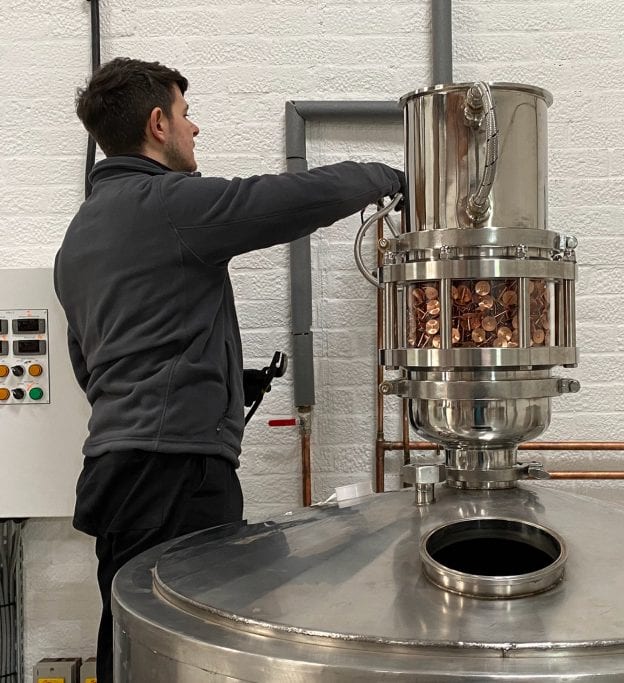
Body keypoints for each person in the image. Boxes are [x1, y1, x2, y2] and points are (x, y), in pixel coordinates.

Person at [53, 57, 404, 683]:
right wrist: (386, 176)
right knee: (189, 643)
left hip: (118, 469)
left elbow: (99, 365)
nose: (196, 130)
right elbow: (281, 201)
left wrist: (214, 383)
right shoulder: (166, 203)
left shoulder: (79, 237)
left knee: (130, 629)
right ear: (158, 123)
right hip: (173, 471)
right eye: (187, 116)